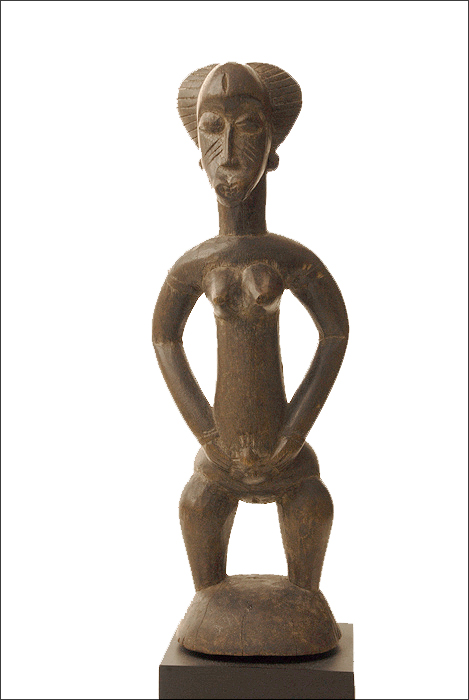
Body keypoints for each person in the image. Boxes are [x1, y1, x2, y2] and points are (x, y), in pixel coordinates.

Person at [152, 63, 348, 596]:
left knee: (311, 505)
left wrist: (295, 431)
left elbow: (335, 334)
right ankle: (209, 596)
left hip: (287, 454)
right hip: (219, 461)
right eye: (213, 128)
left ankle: (305, 596)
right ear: (199, 153)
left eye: (249, 126)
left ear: (273, 149)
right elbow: (164, 339)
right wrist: (207, 435)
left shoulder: (290, 258)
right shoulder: (195, 265)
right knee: (197, 504)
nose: (231, 149)